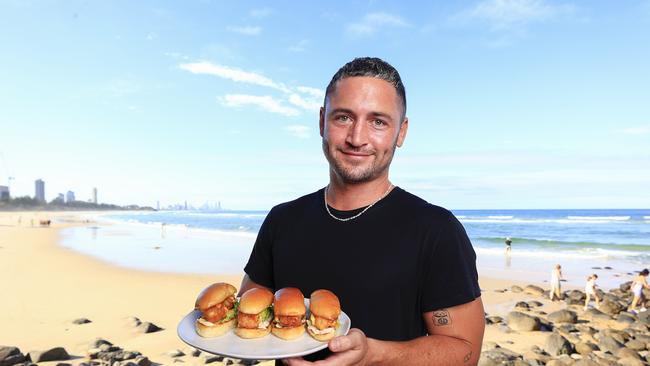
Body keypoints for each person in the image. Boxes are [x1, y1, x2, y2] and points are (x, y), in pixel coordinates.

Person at [240, 57, 484, 365]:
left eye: (378, 121)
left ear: (401, 132)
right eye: (343, 118)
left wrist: (373, 354)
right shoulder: (281, 219)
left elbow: (465, 352)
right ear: (321, 122)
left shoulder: (436, 229)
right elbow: (246, 312)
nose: (357, 138)